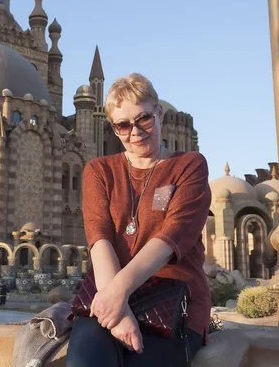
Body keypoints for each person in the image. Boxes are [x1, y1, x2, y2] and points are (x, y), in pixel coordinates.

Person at [66, 73, 212, 367]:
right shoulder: (98, 171)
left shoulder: (189, 166)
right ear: (113, 128)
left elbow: (172, 237)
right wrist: (117, 310)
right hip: (109, 289)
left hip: (173, 296)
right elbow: (99, 237)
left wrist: (118, 295)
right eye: (123, 125)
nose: (135, 131)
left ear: (158, 113)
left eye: (143, 119)